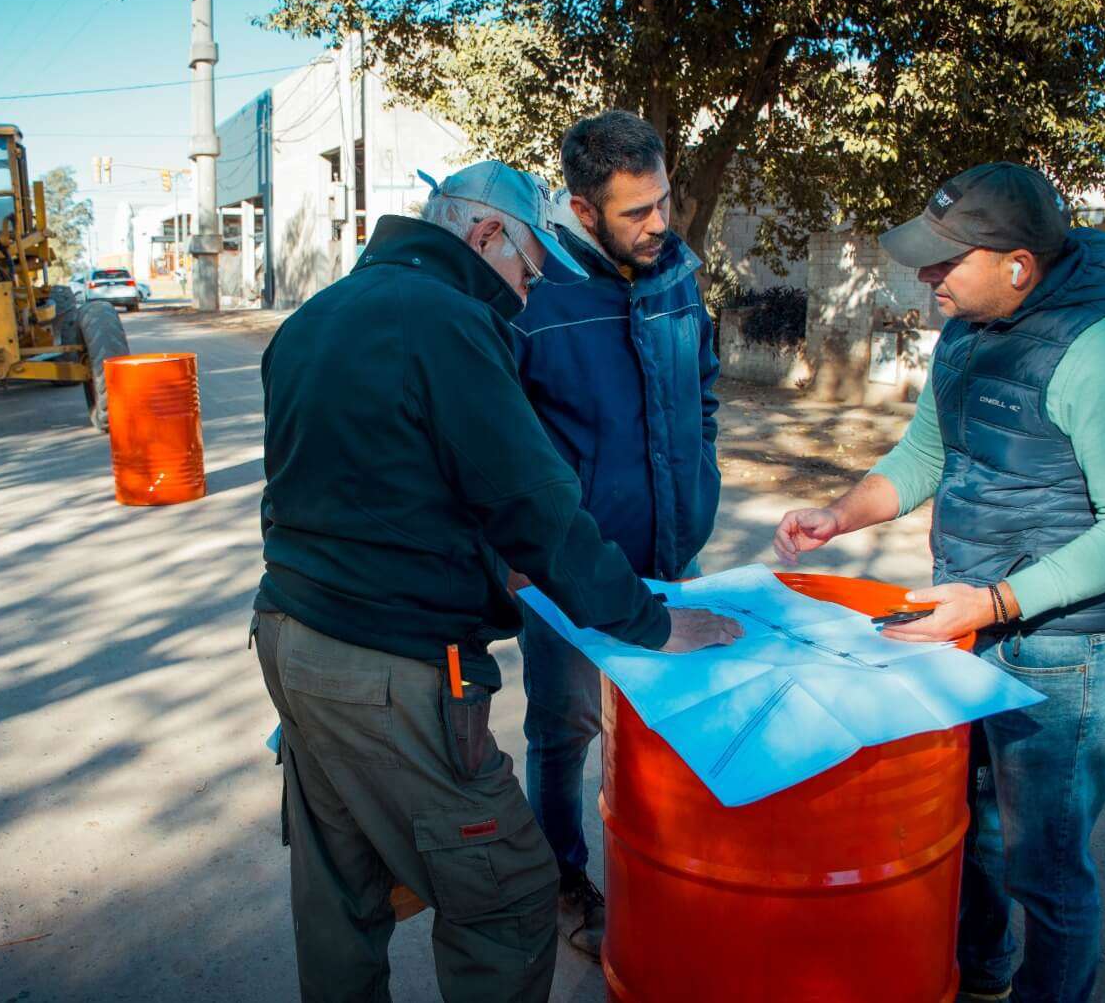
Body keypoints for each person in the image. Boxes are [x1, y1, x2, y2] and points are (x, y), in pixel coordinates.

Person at [253, 159, 744, 1003]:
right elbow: (536, 503)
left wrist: (483, 562)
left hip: (290, 637)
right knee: (508, 891)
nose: (526, 293)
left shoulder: (318, 316)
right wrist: (650, 623)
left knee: (342, 886)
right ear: (486, 236)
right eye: (526, 269)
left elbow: (368, 487)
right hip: (394, 667)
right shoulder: (446, 319)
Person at [773, 162, 1105, 1003]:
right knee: (974, 828)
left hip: (1072, 648)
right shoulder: (965, 332)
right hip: (973, 621)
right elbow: (927, 454)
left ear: (1017, 264)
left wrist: (998, 601)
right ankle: (982, 974)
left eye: (946, 260)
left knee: (1049, 867)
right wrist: (840, 516)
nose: (926, 276)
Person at [507, 110, 722, 958]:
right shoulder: (533, 289)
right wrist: (516, 554)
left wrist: (700, 468)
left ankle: (665, 876)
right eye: (637, 211)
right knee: (564, 736)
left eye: (663, 200)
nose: (660, 224)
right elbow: (498, 438)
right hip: (568, 579)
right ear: (583, 210)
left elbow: (702, 386)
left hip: (674, 555)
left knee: (668, 725)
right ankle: (564, 883)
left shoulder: (677, 272)